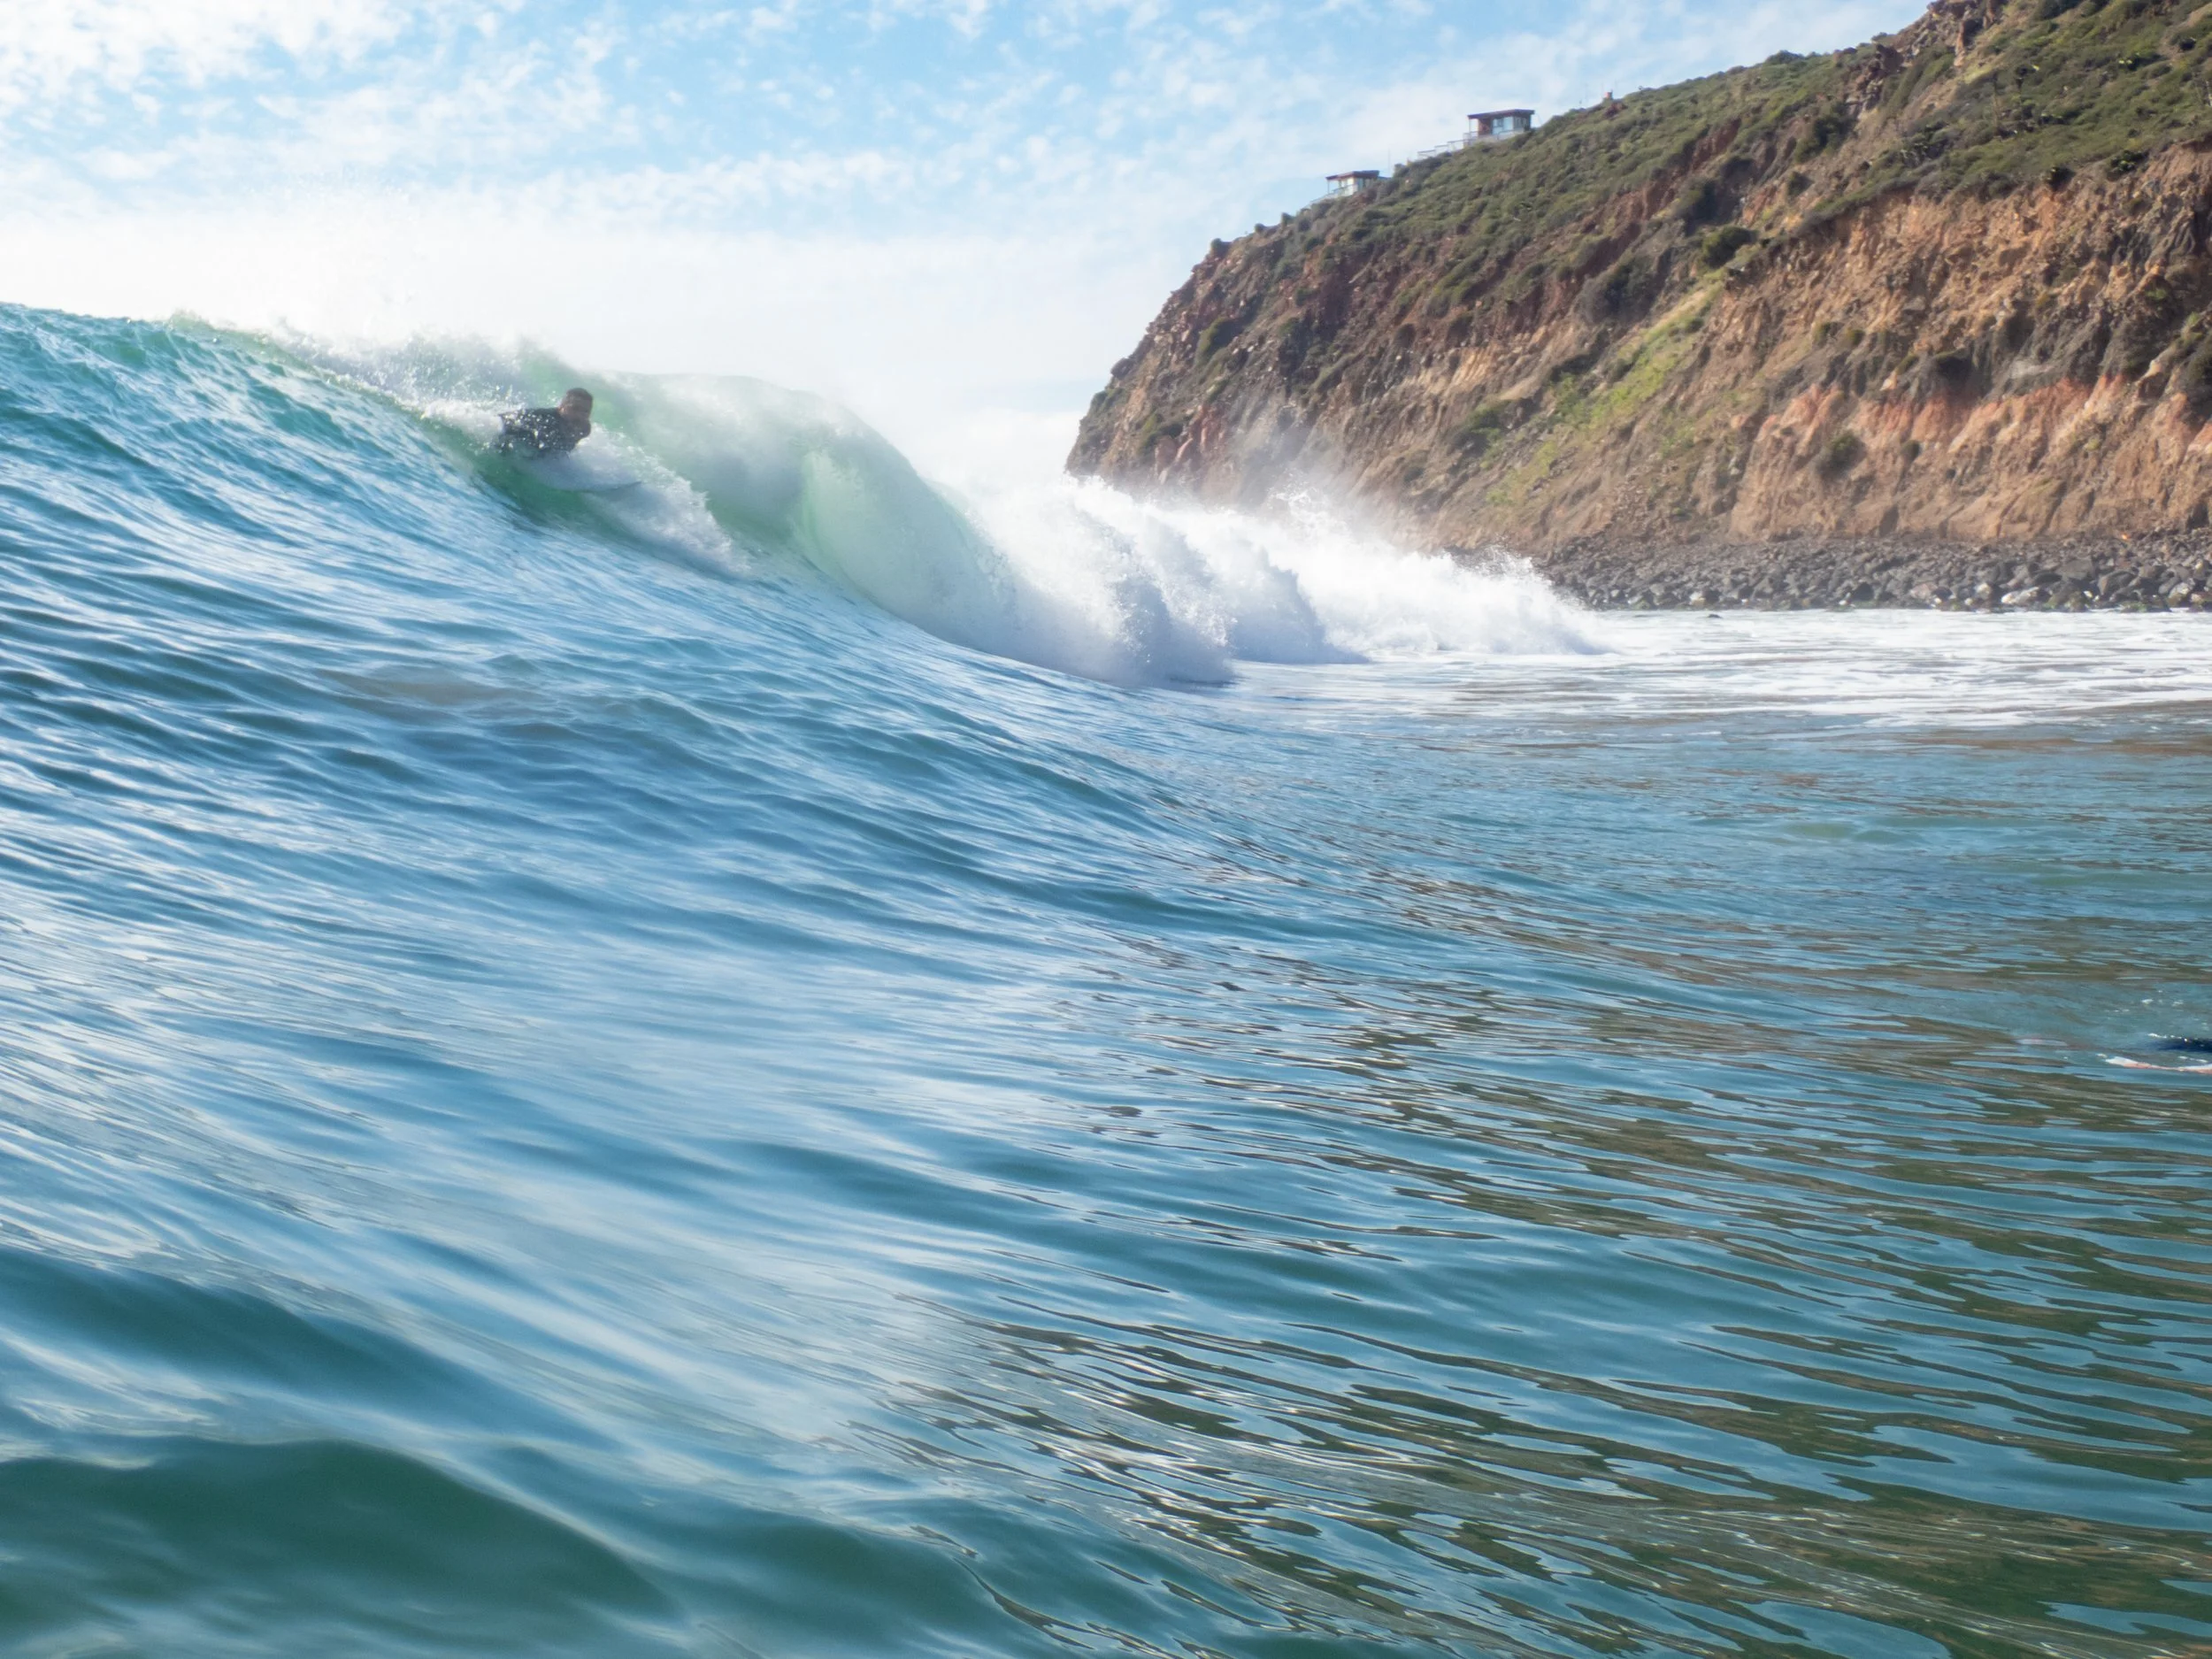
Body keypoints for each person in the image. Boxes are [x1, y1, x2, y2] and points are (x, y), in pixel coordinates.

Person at [496, 388, 593, 457]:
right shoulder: (545, 419)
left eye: (585, 411)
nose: (580, 415)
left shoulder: (584, 429)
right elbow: (506, 418)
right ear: (561, 407)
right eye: (575, 408)